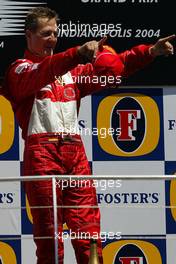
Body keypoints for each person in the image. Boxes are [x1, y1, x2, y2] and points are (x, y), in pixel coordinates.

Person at [2, 6, 175, 264]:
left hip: (76, 155)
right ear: (29, 35)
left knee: (89, 233)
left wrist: (149, 52)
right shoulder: (19, 70)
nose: (53, 39)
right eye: (46, 34)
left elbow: (116, 68)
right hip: (42, 158)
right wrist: (76, 54)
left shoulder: (72, 73)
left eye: (55, 33)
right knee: (49, 237)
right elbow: (43, 72)